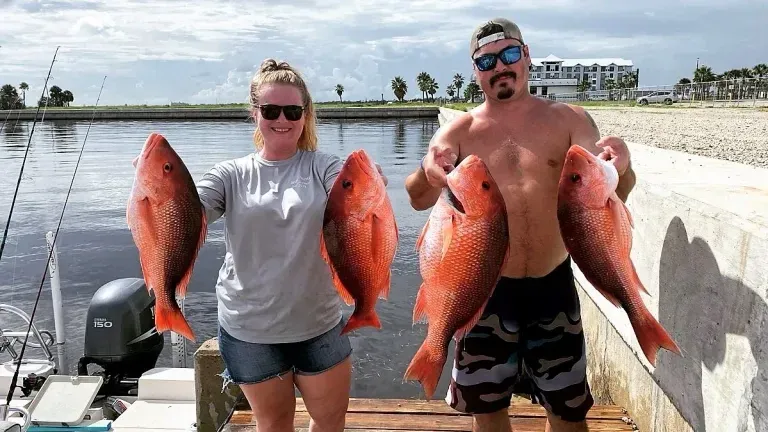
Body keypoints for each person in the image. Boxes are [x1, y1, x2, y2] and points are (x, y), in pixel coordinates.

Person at [404, 18, 636, 432]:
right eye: (487, 60)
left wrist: (626, 167)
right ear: (476, 71)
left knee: (567, 413)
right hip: (482, 291)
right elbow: (417, 198)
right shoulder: (458, 131)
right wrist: (427, 171)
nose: (500, 66)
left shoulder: (569, 120)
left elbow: (611, 195)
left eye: (510, 54)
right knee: (488, 414)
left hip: (553, 285)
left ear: (526, 56)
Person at [195, 58, 386, 432]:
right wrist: (157, 193)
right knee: (274, 424)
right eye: (271, 110)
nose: (282, 119)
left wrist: (371, 178)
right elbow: (191, 214)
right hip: (249, 329)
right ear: (255, 113)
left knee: (330, 422)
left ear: (305, 113)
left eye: (292, 110)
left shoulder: (324, 167)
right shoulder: (229, 174)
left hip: (319, 322)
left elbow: (353, 192)